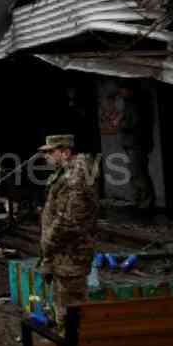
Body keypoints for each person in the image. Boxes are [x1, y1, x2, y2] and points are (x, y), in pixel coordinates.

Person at [38, 135, 100, 334]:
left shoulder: (76, 177)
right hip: (62, 254)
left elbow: (70, 220)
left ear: (65, 152)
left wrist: (48, 242)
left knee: (72, 314)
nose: (46, 156)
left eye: (50, 151)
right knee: (62, 308)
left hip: (71, 254)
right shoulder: (65, 173)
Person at [117, 86, 155, 211]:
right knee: (136, 173)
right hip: (134, 143)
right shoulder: (131, 104)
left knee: (139, 173)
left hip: (136, 143)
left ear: (130, 90)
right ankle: (140, 200)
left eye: (123, 89)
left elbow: (132, 123)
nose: (121, 92)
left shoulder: (135, 104)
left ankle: (145, 202)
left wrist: (119, 123)